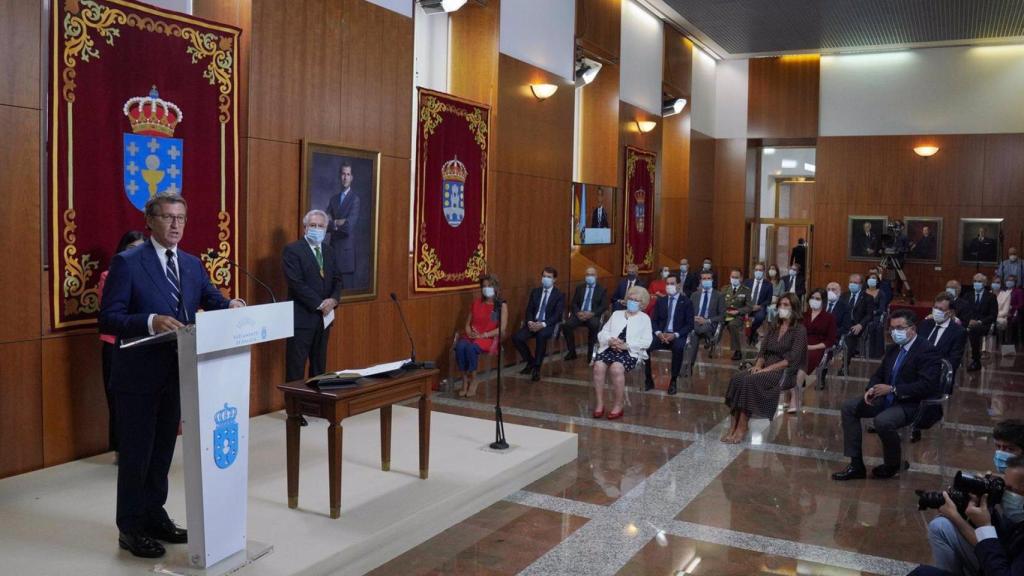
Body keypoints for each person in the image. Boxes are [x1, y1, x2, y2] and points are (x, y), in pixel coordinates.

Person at [99, 193, 245, 559]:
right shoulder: (128, 263)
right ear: (149, 221)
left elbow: (208, 296)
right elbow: (109, 318)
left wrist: (229, 304)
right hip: (137, 377)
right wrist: (149, 322)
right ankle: (130, 527)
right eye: (167, 217)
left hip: (177, 372)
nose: (176, 225)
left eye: (181, 217)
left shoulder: (192, 264)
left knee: (163, 452)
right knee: (137, 454)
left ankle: (154, 514)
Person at [832, 310, 940, 481]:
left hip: (912, 403)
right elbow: (879, 374)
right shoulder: (893, 349)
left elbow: (927, 385)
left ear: (912, 329)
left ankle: (892, 464)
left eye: (899, 327)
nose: (895, 332)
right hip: (887, 398)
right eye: (892, 328)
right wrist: (871, 389)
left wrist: (894, 389)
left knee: (883, 421)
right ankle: (856, 464)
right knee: (849, 407)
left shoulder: (926, 350)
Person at [917, 428, 1024, 576]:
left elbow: (999, 555)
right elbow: (1003, 542)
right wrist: (984, 505)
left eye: (1011, 489)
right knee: (939, 527)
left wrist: (981, 524)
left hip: (1000, 565)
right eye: (998, 447)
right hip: (999, 558)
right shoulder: (1018, 507)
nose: (1006, 493)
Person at [283, 209, 343, 427]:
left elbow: (338, 279)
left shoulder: (329, 251)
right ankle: (295, 412)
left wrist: (333, 300)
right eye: (313, 225)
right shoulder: (293, 250)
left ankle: (317, 406)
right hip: (302, 318)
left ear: (326, 230)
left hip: (324, 318)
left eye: (321, 226)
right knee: (296, 366)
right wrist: (320, 303)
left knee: (319, 365)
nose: (317, 229)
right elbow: (296, 283)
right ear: (305, 227)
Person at [722, 292, 806, 443]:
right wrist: (759, 365)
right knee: (737, 379)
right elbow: (762, 351)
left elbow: (791, 359)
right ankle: (732, 426)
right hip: (764, 367)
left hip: (784, 372)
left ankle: (742, 426)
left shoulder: (799, 330)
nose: (782, 308)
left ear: (794, 308)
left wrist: (765, 370)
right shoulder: (774, 326)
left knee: (750, 381)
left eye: (786, 305)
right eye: (780, 305)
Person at [97, 230, 146, 458]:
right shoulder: (110, 275)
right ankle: (120, 449)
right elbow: (111, 312)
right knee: (117, 399)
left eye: (140, 247)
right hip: (115, 344)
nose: (136, 253)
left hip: (144, 344)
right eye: (131, 248)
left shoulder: (150, 275)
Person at [592, 286, 653, 421]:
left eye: (636, 300)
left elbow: (647, 341)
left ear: (642, 303)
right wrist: (610, 340)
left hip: (630, 352)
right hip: (610, 347)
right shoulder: (616, 314)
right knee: (598, 366)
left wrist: (627, 346)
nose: (632, 302)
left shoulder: (645, 319)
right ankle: (600, 403)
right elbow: (603, 332)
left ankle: (618, 404)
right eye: (630, 299)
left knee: (616, 368)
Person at [454, 274, 507, 397]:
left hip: (488, 338)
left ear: (495, 287)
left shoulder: (501, 305)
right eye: (484, 286)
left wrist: (484, 335)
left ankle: (474, 380)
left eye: (489, 286)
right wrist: (469, 332)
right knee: (460, 346)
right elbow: (467, 324)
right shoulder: (476, 303)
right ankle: (464, 380)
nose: (486, 288)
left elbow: (502, 328)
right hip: (473, 336)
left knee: (470, 348)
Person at [786, 288, 836, 412]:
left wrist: (811, 347)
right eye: (812, 298)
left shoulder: (829, 318)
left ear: (823, 301)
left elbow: (830, 341)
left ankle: (794, 400)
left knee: (802, 360)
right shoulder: (803, 315)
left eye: (817, 298)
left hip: (817, 348)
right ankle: (793, 396)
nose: (814, 301)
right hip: (800, 345)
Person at [512, 267, 565, 381]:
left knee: (541, 336)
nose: (546, 279)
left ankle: (536, 368)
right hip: (533, 323)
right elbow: (529, 309)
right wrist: (530, 321)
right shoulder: (535, 292)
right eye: (544, 276)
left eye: (549, 277)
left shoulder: (559, 295)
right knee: (517, 338)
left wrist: (543, 324)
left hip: (548, 325)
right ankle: (531, 362)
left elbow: (557, 315)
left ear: (554, 279)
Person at [644, 275, 693, 395]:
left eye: (672, 283)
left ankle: (673, 380)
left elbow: (689, 324)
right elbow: (653, 320)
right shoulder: (661, 301)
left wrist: (675, 335)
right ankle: (648, 379)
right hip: (661, 334)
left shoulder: (686, 302)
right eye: (667, 284)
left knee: (678, 348)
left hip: (677, 335)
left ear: (678, 285)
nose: (669, 286)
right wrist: (659, 333)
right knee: (645, 347)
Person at [326, 161, 361, 289]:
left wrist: (334, 222)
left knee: (345, 295)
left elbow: (348, 227)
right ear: (339, 176)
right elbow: (325, 224)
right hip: (332, 252)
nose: (345, 177)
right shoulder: (333, 199)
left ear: (352, 178)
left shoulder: (355, 199)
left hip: (346, 256)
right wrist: (337, 222)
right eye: (343, 174)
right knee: (330, 293)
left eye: (348, 174)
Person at [682, 271, 725, 375]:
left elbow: (722, 315)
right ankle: (690, 366)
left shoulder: (719, 295)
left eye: (708, 278)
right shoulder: (695, 295)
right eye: (704, 279)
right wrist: (693, 317)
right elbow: (689, 311)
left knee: (695, 332)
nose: (706, 281)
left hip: (710, 323)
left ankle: (689, 366)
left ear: (712, 280)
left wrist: (706, 320)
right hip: (696, 322)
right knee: (694, 335)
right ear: (700, 281)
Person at [563, 267, 608, 361]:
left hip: (592, 315)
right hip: (580, 314)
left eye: (591, 275)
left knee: (594, 325)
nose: (589, 277)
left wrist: (592, 314)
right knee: (566, 325)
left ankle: (591, 353)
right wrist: (578, 313)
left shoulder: (601, 289)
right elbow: (574, 303)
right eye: (587, 274)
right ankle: (572, 352)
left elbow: (603, 306)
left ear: (596, 276)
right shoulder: (580, 288)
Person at [964, 273, 998, 371]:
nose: (976, 283)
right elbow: (964, 312)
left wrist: (979, 322)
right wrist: (969, 320)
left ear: (984, 283)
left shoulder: (991, 297)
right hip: (969, 322)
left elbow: (993, 315)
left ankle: (976, 360)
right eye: (975, 281)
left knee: (974, 330)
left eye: (979, 281)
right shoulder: (967, 295)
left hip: (983, 324)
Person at [841, 273, 875, 358]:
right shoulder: (844, 295)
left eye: (855, 283)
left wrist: (860, 325)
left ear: (861, 285)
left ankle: (844, 366)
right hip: (843, 324)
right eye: (851, 282)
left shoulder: (868, 298)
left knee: (850, 336)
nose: (852, 284)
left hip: (857, 324)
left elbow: (869, 315)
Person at [722, 269, 752, 360]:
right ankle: (710, 341)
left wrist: (738, 311)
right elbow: (719, 303)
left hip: (737, 316)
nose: (734, 279)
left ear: (741, 278)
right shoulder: (724, 289)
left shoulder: (746, 290)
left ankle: (737, 351)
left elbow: (749, 307)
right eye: (732, 277)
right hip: (725, 314)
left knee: (732, 325)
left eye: (736, 277)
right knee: (715, 322)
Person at [746, 262, 774, 345]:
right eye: (756, 269)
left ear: (764, 272)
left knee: (760, 317)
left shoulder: (768, 285)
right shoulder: (747, 282)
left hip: (760, 307)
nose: (758, 271)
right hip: (748, 306)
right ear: (754, 271)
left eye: (760, 270)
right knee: (740, 317)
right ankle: (751, 333)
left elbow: (768, 300)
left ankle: (751, 332)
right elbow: (742, 295)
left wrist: (759, 306)